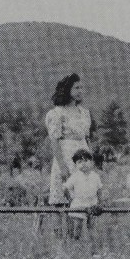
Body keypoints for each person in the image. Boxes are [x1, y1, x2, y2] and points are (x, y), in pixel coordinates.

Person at [44, 73, 93, 207]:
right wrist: (62, 167)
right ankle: (62, 228)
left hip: (83, 157)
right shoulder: (57, 113)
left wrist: (91, 160)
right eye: (76, 88)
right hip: (66, 157)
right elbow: (54, 141)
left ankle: (82, 228)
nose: (80, 91)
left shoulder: (84, 113)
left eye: (81, 88)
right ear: (67, 90)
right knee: (65, 199)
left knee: (86, 198)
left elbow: (87, 139)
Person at [63, 148, 103, 240]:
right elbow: (65, 188)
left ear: (91, 162)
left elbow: (99, 190)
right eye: (80, 162)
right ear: (76, 165)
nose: (83, 164)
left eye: (86, 161)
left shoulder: (95, 176)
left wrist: (100, 202)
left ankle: (92, 245)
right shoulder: (75, 176)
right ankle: (76, 243)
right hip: (79, 203)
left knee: (92, 226)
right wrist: (70, 199)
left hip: (92, 203)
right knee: (77, 226)